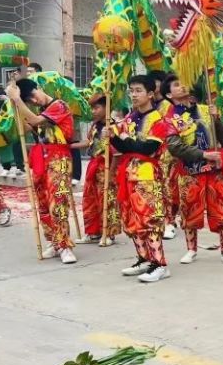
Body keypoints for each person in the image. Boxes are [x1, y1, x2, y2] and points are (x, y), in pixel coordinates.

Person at [162, 76, 223, 266]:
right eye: (176, 85)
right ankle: (191, 249)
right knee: (189, 211)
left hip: (215, 170)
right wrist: (204, 155)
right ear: (169, 94)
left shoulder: (205, 109)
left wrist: (217, 120)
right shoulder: (170, 119)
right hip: (189, 171)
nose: (182, 85)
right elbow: (175, 147)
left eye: (182, 82)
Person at [6, 78, 76, 264]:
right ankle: (53, 241)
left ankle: (65, 245)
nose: (34, 101)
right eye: (29, 100)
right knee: (43, 203)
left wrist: (19, 100)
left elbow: (36, 120)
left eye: (33, 96)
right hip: (41, 159)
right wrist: (14, 105)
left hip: (59, 159)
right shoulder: (41, 111)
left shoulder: (59, 106)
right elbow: (28, 126)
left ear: (39, 88)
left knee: (58, 202)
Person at [109, 75, 171, 282]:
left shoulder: (159, 120)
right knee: (132, 219)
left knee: (150, 219)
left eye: (138, 91)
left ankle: (160, 264)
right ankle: (144, 259)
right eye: (131, 90)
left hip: (147, 175)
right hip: (128, 173)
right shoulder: (129, 118)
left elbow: (148, 149)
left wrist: (124, 138)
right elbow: (124, 147)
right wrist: (113, 137)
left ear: (150, 94)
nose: (133, 95)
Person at [72, 97, 120, 246]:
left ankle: (109, 233)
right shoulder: (94, 126)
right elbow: (88, 142)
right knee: (90, 200)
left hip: (107, 167)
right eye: (92, 108)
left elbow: (117, 153)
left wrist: (111, 173)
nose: (93, 111)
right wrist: (69, 146)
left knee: (107, 200)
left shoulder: (114, 127)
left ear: (107, 108)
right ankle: (93, 232)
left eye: (96, 108)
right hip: (93, 166)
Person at [154, 71, 179, 240]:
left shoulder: (168, 106)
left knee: (168, 188)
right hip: (154, 153)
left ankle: (170, 222)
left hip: (169, 153)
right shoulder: (150, 106)